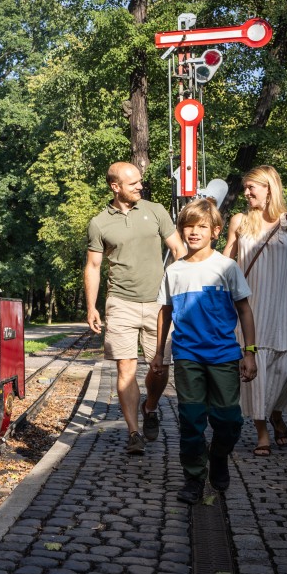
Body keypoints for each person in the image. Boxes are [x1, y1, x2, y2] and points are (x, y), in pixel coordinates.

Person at [150, 198, 257, 504]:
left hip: (224, 355)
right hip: (188, 357)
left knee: (229, 421)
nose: (194, 232)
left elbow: (244, 310)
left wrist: (249, 351)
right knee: (192, 419)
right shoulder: (175, 270)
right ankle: (194, 477)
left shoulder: (227, 267)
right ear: (181, 230)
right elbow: (165, 312)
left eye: (201, 227)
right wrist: (160, 353)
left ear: (216, 231)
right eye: (188, 226)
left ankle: (219, 456)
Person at [85, 161, 186, 455]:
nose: (140, 187)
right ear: (115, 187)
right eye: (133, 184)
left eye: (140, 182)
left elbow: (179, 251)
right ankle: (133, 432)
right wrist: (92, 306)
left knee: (160, 367)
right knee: (125, 369)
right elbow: (93, 266)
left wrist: (179, 293)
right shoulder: (99, 223)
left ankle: (150, 406)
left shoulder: (155, 211)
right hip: (120, 303)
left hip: (159, 303)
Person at [222, 166, 287, 455]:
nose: (246, 193)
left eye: (252, 187)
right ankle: (262, 432)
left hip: (281, 304)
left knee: (286, 367)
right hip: (249, 303)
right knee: (254, 367)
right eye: (246, 188)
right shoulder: (239, 221)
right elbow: (227, 260)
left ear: (269, 188)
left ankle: (275, 412)